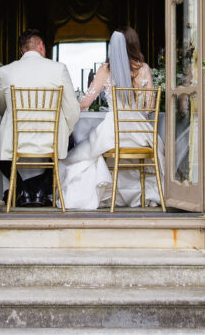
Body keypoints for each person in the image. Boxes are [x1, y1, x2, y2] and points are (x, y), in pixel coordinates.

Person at [58, 26, 164, 210]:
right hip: (141, 134)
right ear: (133, 43)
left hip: (113, 132)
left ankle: (108, 192)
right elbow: (150, 108)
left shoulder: (106, 70)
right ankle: (140, 193)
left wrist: (67, 105)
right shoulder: (144, 69)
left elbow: (85, 102)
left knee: (88, 154)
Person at [0, 28, 80, 206]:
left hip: (15, 138)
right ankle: (40, 189)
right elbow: (73, 109)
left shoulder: (5, 71)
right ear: (41, 46)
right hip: (50, 138)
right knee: (71, 142)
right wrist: (65, 131)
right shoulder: (58, 69)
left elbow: (1, 107)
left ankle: (22, 189)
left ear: (22, 50)